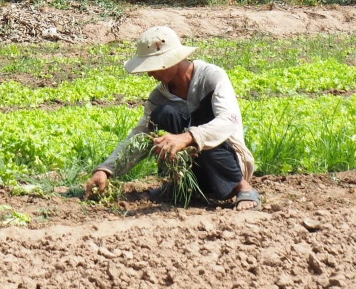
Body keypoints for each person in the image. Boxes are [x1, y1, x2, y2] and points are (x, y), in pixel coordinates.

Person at [85, 26, 261, 211]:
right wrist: (106, 169)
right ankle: (182, 185)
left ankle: (243, 188)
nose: (149, 74)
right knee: (164, 113)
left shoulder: (211, 77)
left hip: (230, 165)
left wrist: (187, 138)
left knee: (201, 134)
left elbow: (228, 121)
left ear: (172, 61)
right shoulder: (159, 96)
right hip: (192, 173)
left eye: (153, 67)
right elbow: (139, 136)